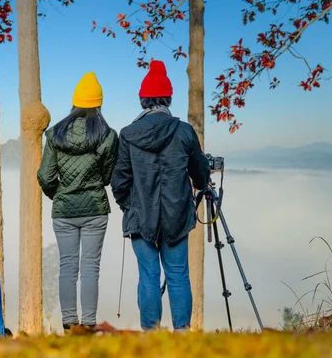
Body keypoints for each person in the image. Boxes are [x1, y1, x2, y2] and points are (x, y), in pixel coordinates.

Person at [111, 60, 210, 332]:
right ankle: (182, 334)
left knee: (149, 277)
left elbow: (119, 180)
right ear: (169, 97)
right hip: (177, 216)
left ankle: (150, 336)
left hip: (140, 216)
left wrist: (129, 205)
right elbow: (201, 176)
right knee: (178, 275)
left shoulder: (128, 134)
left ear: (143, 99)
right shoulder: (185, 131)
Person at [38, 72, 118, 330]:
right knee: (90, 268)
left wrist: (59, 195)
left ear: (74, 103)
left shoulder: (55, 134)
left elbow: (46, 176)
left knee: (67, 267)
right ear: (98, 104)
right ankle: (90, 326)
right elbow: (108, 176)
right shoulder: (107, 135)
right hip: (95, 208)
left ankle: (69, 325)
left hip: (63, 211)